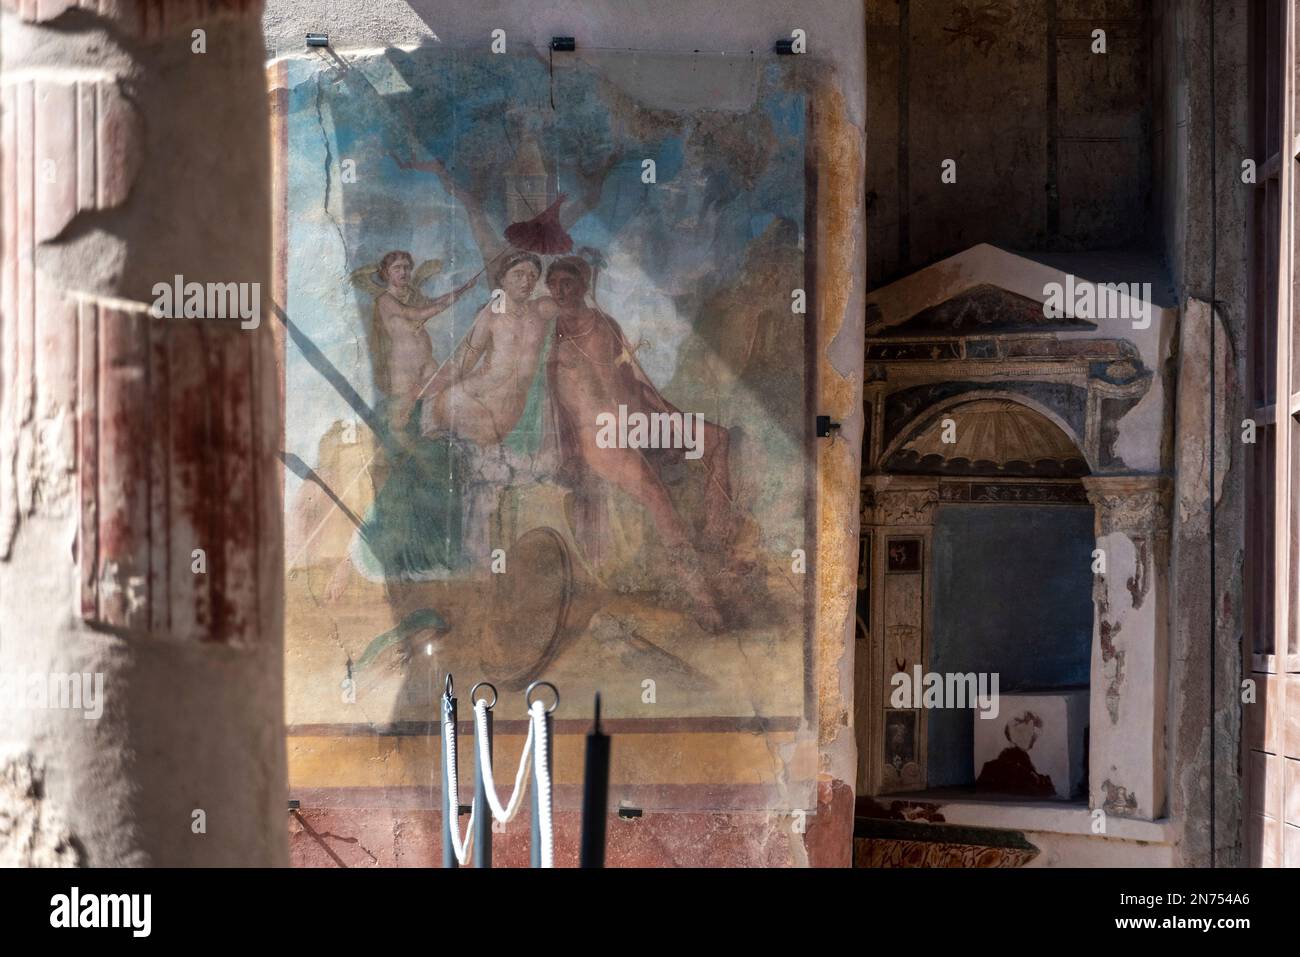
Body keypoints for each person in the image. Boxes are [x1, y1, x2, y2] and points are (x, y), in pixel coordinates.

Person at [544, 256, 734, 631]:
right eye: (556, 284)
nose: (562, 290)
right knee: (658, 499)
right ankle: (702, 600)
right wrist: (570, 455)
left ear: (584, 286)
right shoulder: (551, 339)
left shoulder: (605, 324)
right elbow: (555, 408)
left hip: (639, 421)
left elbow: (634, 377)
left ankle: (715, 536)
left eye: (569, 282)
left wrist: (668, 414)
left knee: (717, 439)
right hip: (600, 438)